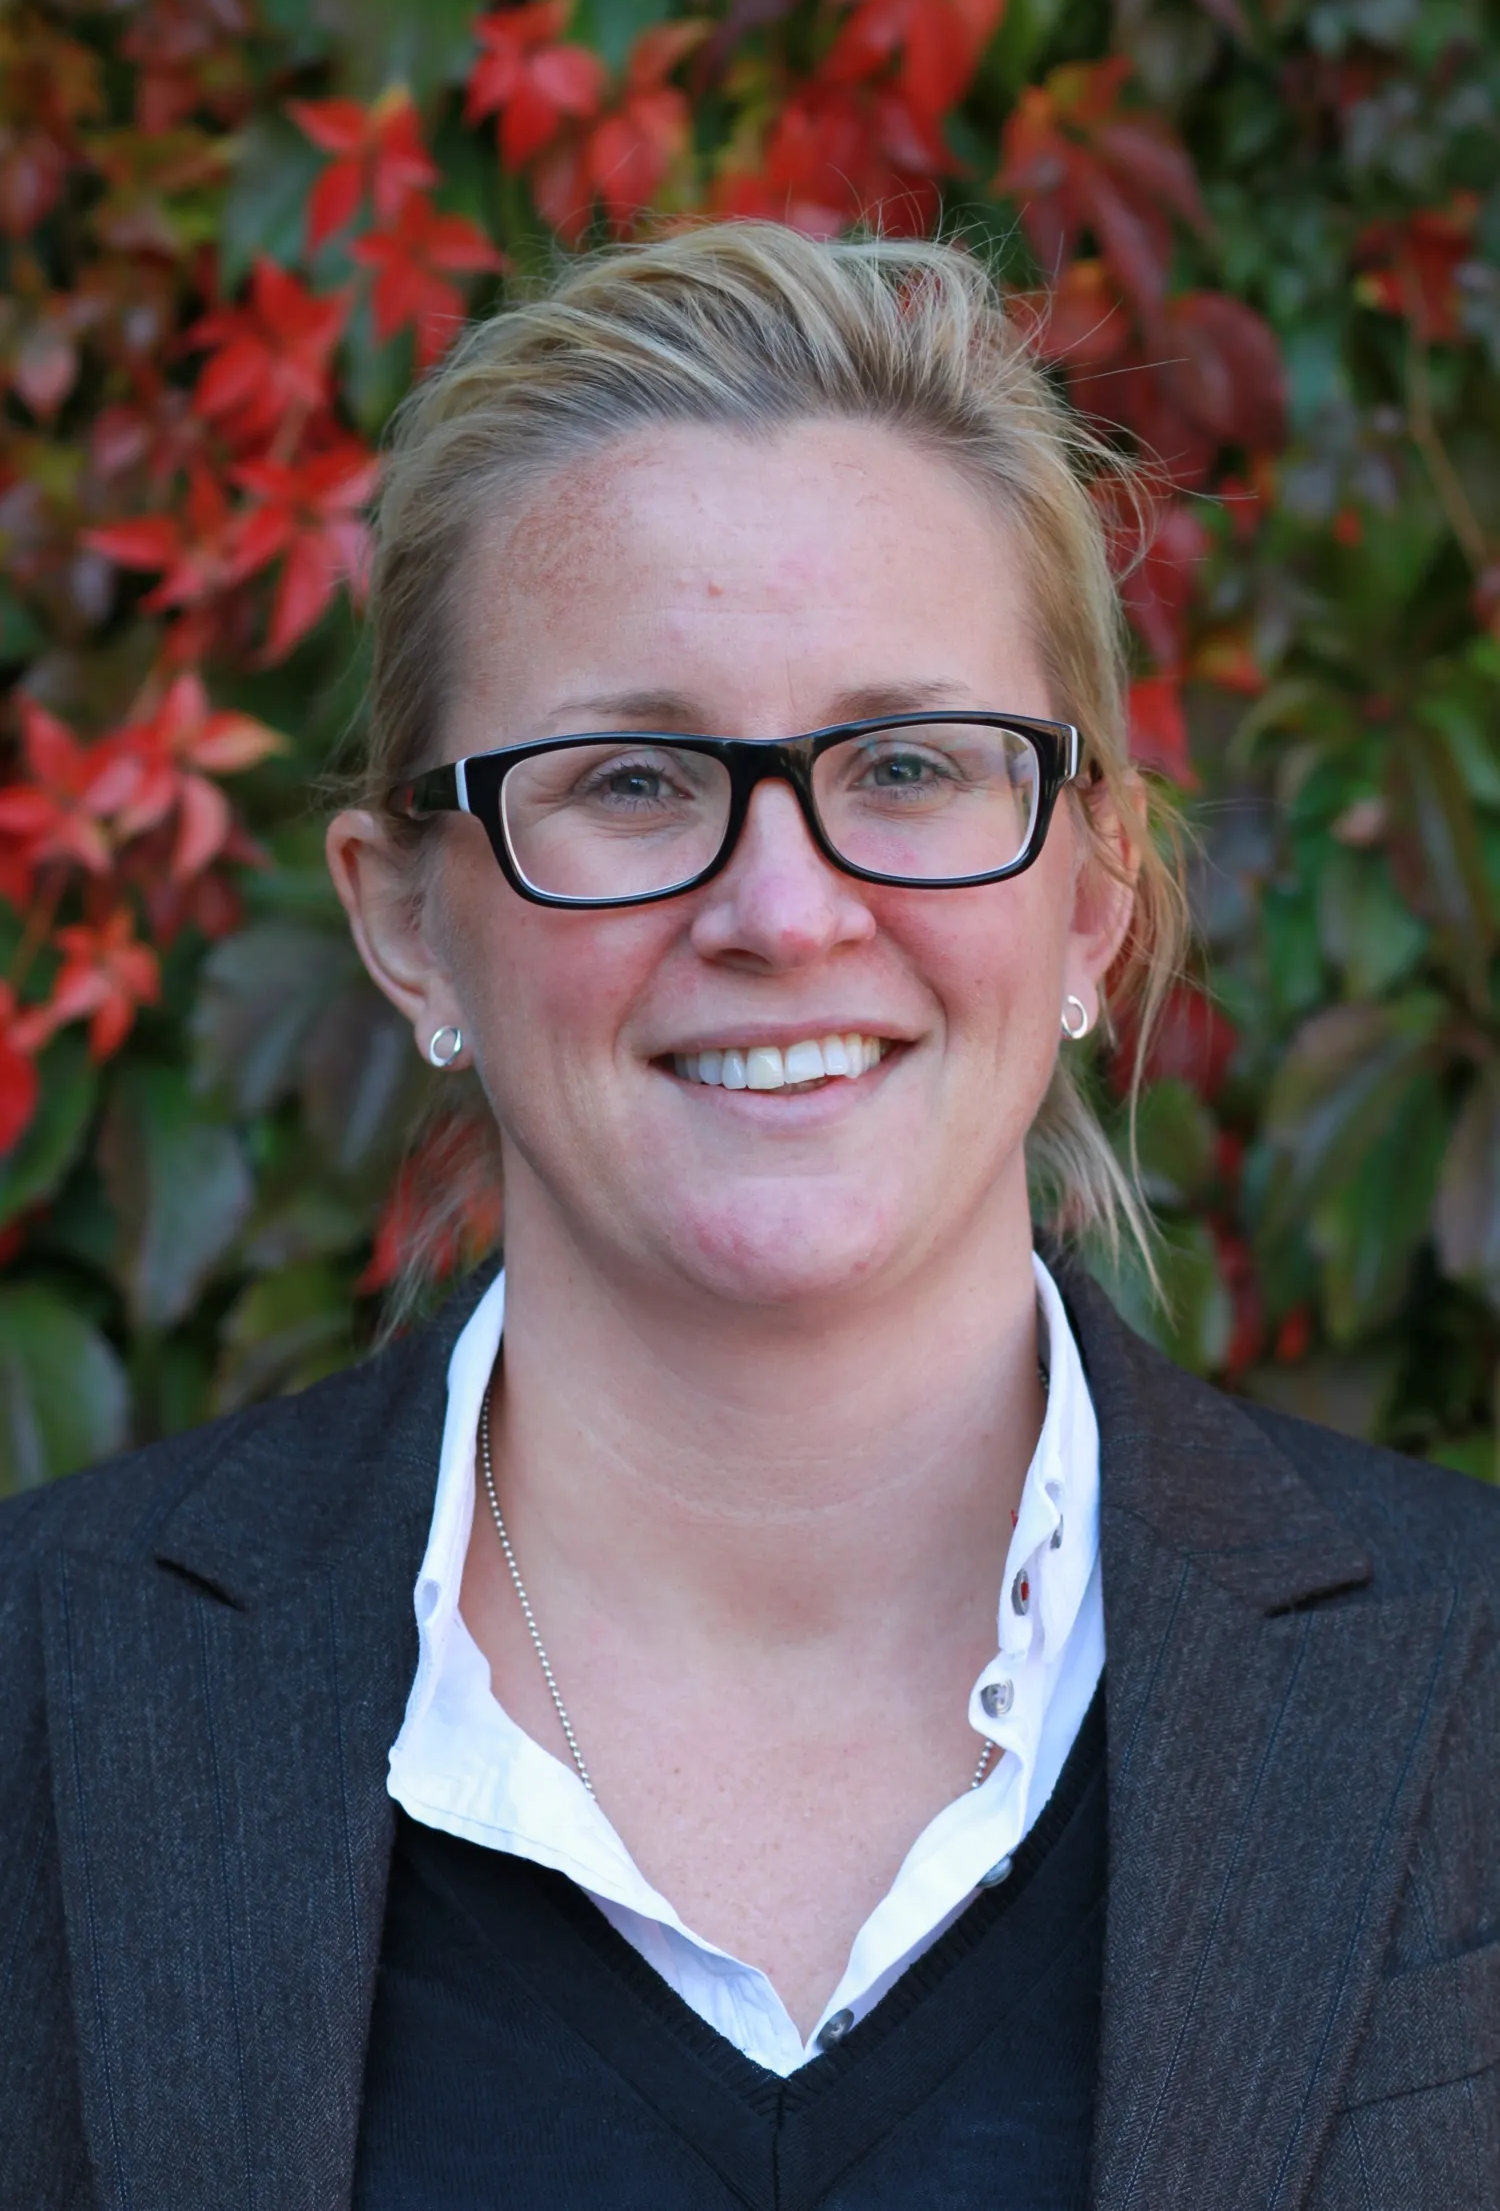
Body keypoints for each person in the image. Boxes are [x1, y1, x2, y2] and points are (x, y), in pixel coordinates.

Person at [3, 224, 1496, 2211]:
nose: (786, 914)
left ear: (1096, 895)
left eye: (908, 763)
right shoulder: (39, 1692)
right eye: (630, 778)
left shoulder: (1467, 1672)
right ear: (403, 923)